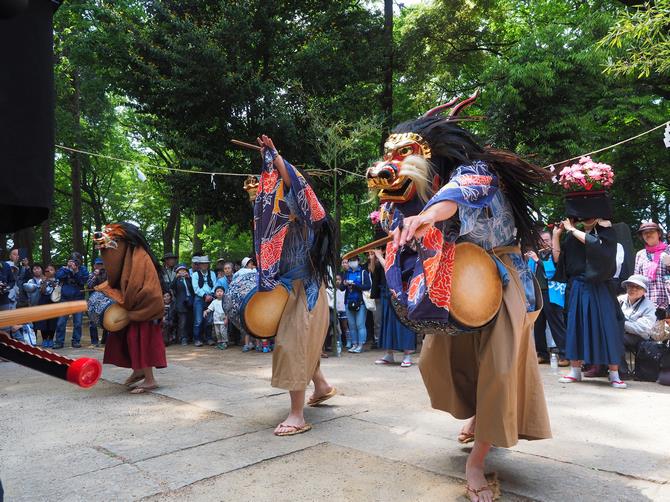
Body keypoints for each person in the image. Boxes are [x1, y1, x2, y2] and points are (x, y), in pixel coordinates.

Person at [366, 96, 551, 501]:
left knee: (499, 370)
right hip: (460, 282)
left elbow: (456, 196)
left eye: (404, 155)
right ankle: (477, 417)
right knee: (437, 360)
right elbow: (389, 214)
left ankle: (477, 462)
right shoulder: (423, 186)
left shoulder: (476, 172)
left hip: (504, 283)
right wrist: (398, 225)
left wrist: (427, 216)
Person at [254, 135, 337, 437]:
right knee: (302, 344)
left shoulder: (303, 210)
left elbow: (295, 184)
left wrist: (275, 157)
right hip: (292, 290)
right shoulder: (278, 216)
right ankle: (323, 385)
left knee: (293, 346)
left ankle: (297, 415)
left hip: (306, 290)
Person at [92, 222, 167, 394]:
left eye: (116, 240)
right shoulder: (129, 254)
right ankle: (138, 371)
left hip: (144, 308)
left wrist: (129, 302)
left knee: (141, 340)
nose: (113, 245)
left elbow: (144, 288)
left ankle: (150, 379)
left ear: (126, 240)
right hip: (132, 307)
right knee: (128, 339)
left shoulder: (140, 256)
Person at [555, 218, 627, 389]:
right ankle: (575, 370)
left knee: (607, 326)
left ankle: (614, 374)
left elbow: (595, 245)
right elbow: (558, 260)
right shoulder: (571, 237)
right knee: (576, 326)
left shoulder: (606, 231)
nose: (586, 218)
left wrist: (571, 229)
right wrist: (556, 235)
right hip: (578, 286)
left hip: (601, 286)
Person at [527, 229, 568, 366]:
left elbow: (551, 271)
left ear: (552, 241)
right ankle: (542, 354)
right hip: (537, 294)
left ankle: (565, 355)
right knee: (538, 326)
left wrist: (537, 260)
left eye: (547, 240)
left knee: (556, 324)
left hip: (552, 294)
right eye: (541, 240)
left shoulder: (554, 255)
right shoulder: (536, 255)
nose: (544, 243)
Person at [371, 249, 417, 367]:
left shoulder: (408, 251)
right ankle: (389, 354)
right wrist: (374, 258)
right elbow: (374, 270)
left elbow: (391, 269)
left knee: (404, 323)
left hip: (402, 290)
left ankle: (407, 355)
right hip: (388, 292)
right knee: (388, 323)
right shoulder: (391, 249)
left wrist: (380, 257)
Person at [54, 252, 89, 348]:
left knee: (78, 323)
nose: (74, 262)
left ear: (80, 261)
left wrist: (76, 271)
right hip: (65, 299)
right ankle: (59, 342)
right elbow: (58, 276)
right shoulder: (64, 269)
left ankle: (76, 341)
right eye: (72, 260)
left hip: (78, 299)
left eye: (76, 260)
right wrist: (68, 269)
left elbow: (83, 281)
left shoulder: (83, 270)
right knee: (61, 322)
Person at [618, 274, 657, 356]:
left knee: (614, 339)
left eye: (638, 287)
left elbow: (643, 329)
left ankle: (620, 369)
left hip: (638, 337)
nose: (633, 289)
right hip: (619, 332)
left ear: (644, 291)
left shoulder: (649, 306)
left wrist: (620, 323)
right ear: (626, 287)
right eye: (631, 286)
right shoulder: (619, 300)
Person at [633, 221, 670, 310]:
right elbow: (637, 279)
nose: (648, 234)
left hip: (667, 302)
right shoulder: (640, 254)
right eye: (645, 233)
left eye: (651, 231)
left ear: (659, 234)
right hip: (646, 304)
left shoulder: (668, 250)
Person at [340, 255, 371, 353]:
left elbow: (368, 286)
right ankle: (354, 344)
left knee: (360, 324)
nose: (352, 262)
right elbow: (341, 288)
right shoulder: (346, 273)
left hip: (360, 302)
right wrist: (344, 284)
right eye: (350, 260)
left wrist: (356, 285)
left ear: (358, 261)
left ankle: (361, 344)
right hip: (348, 302)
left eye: (354, 260)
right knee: (352, 325)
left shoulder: (363, 272)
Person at [191, 255, 217, 347]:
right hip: (199, 298)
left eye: (206, 263)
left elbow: (215, 285)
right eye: (202, 264)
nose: (204, 265)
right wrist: (205, 295)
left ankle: (209, 338)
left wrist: (211, 295)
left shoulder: (212, 273)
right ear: (199, 265)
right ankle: (197, 339)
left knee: (209, 320)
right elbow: (196, 288)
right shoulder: (195, 275)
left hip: (211, 298)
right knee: (198, 320)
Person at [32, 264, 58, 348]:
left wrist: (51, 282)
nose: (49, 271)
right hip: (43, 301)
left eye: (51, 269)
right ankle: (44, 339)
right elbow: (42, 291)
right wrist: (44, 282)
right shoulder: (42, 280)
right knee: (43, 321)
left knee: (52, 321)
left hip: (53, 302)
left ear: (55, 271)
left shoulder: (57, 280)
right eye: (47, 270)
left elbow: (57, 290)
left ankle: (50, 339)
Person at [170, 263, 195, 345]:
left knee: (190, 320)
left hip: (190, 302)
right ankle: (183, 338)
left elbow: (194, 288)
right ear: (177, 272)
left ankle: (190, 337)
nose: (182, 272)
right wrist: (175, 278)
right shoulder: (177, 280)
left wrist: (189, 278)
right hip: (181, 303)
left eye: (184, 270)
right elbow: (171, 287)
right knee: (182, 321)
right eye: (180, 271)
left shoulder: (189, 279)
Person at [87, 257, 107, 347]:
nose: (99, 266)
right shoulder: (92, 274)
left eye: (101, 264)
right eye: (97, 264)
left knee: (107, 319)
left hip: (106, 300)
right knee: (93, 321)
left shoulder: (108, 274)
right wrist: (95, 276)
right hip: (94, 301)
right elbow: (89, 285)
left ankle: (105, 340)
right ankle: (94, 341)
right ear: (94, 265)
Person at [367, 250, 384, 348]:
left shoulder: (388, 257)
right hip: (378, 295)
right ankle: (378, 340)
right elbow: (372, 270)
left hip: (388, 293)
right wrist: (373, 258)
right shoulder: (375, 263)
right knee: (377, 320)